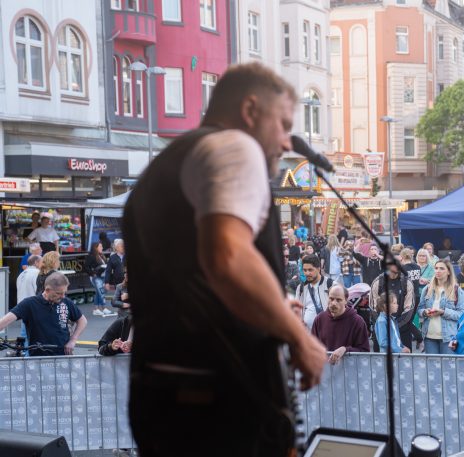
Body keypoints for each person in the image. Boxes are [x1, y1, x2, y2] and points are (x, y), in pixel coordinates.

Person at [122, 63, 328, 457]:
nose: (287, 142)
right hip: (220, 402)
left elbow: (191, 280)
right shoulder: (236, 146)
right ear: (251, 111)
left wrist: (269, 308)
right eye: (283, 124)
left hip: (163, 396)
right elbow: (227, 257)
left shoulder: (163, 169)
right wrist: (300, 336)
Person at [0, 272, 87, 356]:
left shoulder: (66, 302)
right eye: (59, 293)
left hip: (63, 356)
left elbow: (82, 321)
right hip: (38, 358)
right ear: (47, 290)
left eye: (64, 292)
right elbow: (4, 321)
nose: (63, 296)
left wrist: (73, 340)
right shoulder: (29, 304)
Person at [417, 258, 464, 354]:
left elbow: (462, 314)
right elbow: (419, 309)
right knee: (432, 368)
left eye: (441, 268)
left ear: (448, 272)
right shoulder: (427, 289)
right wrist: (425, 312)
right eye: (436, 268)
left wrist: (443, 312)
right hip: (429, 337)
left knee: (448, 367)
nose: (438, 271)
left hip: (449, 337)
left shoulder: (457, 290)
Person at [311, 284, 370, 364]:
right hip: (325, 371)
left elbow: (364, 351)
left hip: (349, 373)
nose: (333, 303)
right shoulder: (319, 319)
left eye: (338, 300)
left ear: (346, 300)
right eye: (331, 299)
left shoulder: (357, 321)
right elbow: (312, 347)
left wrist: (345, 349)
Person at [370, 261, 416, 350]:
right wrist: (386, 324)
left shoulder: (407, 283)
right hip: (382, 327)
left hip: (402, 328)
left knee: (404, 362)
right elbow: (373, 307)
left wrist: (395, 325)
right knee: (381, 362)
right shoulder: (378, 282)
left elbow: (409, 308)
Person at [295, 254, 333, 330]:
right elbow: (297, 309)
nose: (307, 273)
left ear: (318, 269)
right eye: (305, 270)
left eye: (310, 270)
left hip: (328, 333)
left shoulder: (331, 285)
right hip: (308, 334)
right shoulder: (301, 288)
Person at [85, 242, 115, 317]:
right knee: (100, 291)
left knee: (99, 292)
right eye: (100, 246)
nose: (102, 248)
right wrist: (92, 274)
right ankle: (102, 308)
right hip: (95, 277)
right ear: (96, 247)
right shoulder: (91, 256)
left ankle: (97, 309)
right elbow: (86, 267)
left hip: (102, 276)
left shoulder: (101, 256)